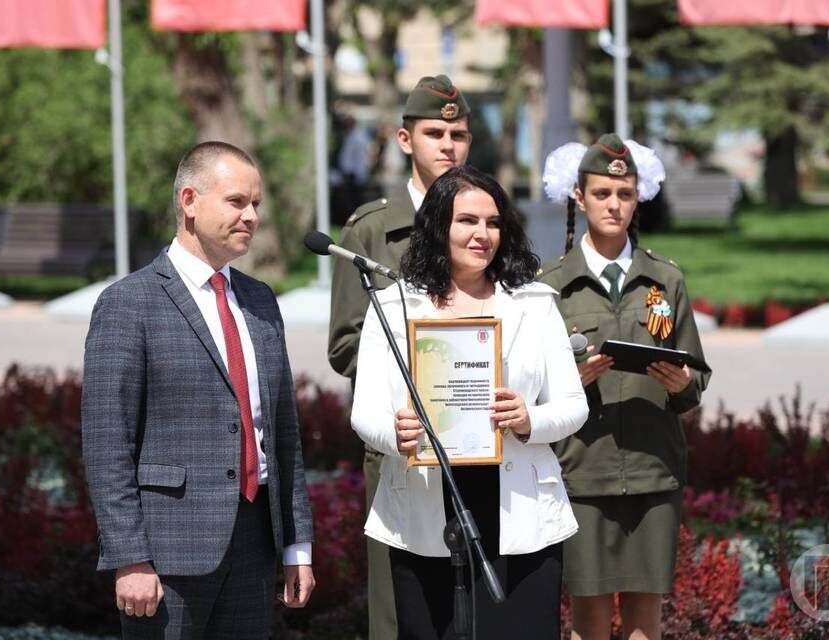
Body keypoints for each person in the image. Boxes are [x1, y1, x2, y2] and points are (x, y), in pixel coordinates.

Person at [82, 142, 315, 639]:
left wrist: (297, 546)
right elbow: (107, 444)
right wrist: (130, 558)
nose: (251, 216)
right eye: (236, 202)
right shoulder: (128, 304)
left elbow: (282, 431)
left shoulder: (260, 300)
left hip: (255, 545)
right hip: (166, 557)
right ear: (189, 200)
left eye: (256, 204)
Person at [350, 165, 589, 639]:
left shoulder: (535, 304)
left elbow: (573, 405)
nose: (483, 234)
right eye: (467, 221)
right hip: (424, 507)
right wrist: (395, 434)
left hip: (518, 510)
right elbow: (364, 412)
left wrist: (528, 419)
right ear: (438, 225)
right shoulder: (393, 306)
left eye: (493, 222)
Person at [536, 134, 711, 640]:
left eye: (625, 193)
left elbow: (696, 375)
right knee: (587, 618)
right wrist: (574, 379)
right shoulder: (551, 286)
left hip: (653, 470)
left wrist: (681, 382)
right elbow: (532, 388)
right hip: (582, 471)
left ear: (639, 197)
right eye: (602, 193)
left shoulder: (665, 280)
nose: (614, 205)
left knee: (645, 617)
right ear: (579, 197)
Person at [327, 74, 473, 639]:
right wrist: (424, 377)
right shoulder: (370, 232)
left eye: (458, 134)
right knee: (399, 611)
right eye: (434, 132)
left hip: (480, 441)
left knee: (475, 603)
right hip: (402, 439)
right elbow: (345, 344)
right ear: (404, 139)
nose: (448, 145)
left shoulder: (488, 223)